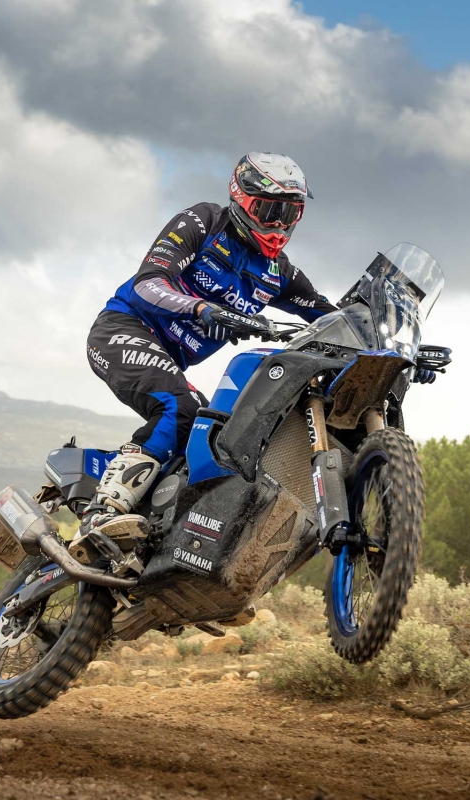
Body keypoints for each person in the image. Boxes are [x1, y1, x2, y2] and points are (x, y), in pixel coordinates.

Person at [77, 152, 336, 550]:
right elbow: (148, 283)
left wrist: (395, 351)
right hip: (123, 329)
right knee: (180, 408)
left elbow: (332, 317)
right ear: (242, 199)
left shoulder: (279, 273)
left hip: (168, 360)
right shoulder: (204, 222)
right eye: (270, 211)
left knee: (209, 432)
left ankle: (145, 521)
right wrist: (199, 307)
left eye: (290, 214)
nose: (279, 225)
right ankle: (102, 513)